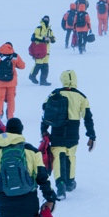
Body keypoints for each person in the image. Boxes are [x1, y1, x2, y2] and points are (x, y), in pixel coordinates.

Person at [39, 69, 95, 200]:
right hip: (73, 131)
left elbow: (45, 112)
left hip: (57, 129)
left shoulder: (54, 93)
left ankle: (60, 184)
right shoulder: (82, 97)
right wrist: (91, 135)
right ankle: (70, 182)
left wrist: (44, 129)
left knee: (58, 156)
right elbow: (88, 118)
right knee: (71, 155)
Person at [0, 43, 26, 119]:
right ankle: (10, 116)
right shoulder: (15, 56)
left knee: (0, 98)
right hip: (11, 82)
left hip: (0, 81)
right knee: (11, 99)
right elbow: (22, 66)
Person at [28, 16, 55, 85]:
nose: (46, 20)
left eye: (47, 19)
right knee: (38, 64)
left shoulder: (50, 30)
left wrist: (51, 39)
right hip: (39, 50)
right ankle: (32, 76)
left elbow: (54, 39)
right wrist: (43, 38)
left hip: (47, 50)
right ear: (42, 20)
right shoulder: (38, 28)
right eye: (45, 19)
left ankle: (43, 80)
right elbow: (34, 37)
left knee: (45, 66)